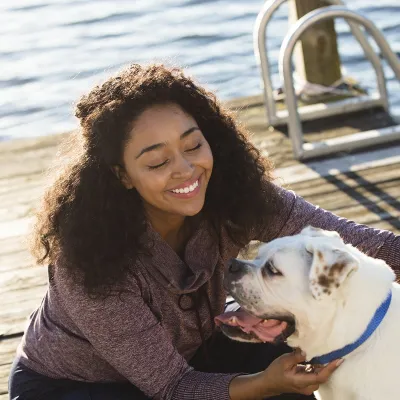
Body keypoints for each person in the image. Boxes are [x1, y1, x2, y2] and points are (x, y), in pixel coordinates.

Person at [9, 64, 399, 400]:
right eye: (158, 161)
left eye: (193, 145)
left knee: (293, 369)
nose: (185, 169)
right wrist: (263, 383)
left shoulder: (238, 196)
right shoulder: (90, 262)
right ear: (121, 175)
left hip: (194, 354)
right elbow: (174, 389)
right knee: (272, 380)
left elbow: (372, 248)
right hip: (75, 386)